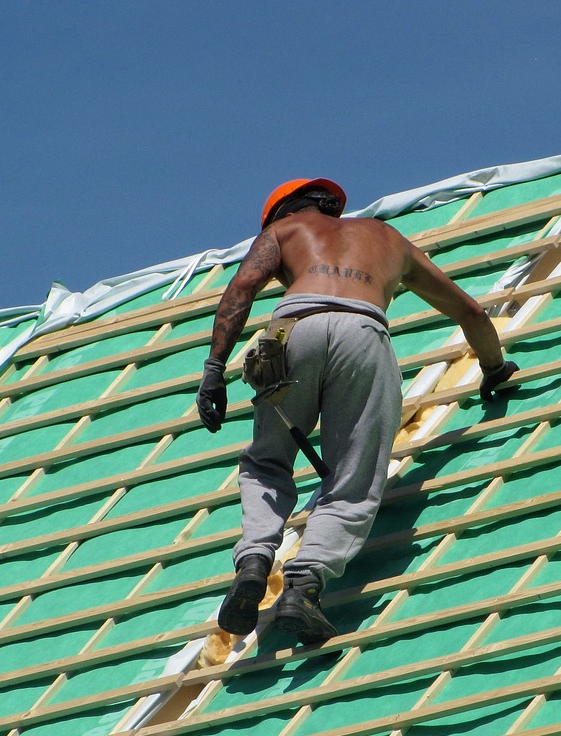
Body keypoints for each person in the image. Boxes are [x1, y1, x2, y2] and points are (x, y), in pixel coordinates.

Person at [196, 177, 518, 643]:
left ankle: (252, 562)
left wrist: (213, 369)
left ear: (286, 212)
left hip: (292, 332)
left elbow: (242, 288)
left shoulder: (284, 232)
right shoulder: (388, 239)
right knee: (354, 472)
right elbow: (471, 313)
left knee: (267, 459)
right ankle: (304, 585)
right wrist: (493, 367)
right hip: (364, 334)